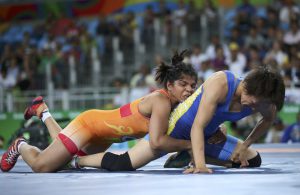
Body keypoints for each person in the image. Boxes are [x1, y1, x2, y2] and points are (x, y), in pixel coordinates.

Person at [0, 51, 198, 173]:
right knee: (41, 166)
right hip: (90, 125)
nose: (189, 90)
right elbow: (156, 142)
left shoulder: (175, 105)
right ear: (170, 85)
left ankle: (42, 111)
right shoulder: (161, 100)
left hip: (105, 136)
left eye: (193, 85)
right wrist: (190, 144)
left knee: (62, 162)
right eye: (183, 84)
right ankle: (20, 145)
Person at [75, 66, 285, 173]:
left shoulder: (265, 101)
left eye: (259, 105)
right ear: (248, 86)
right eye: (252, 101)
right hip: (176, 129)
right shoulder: (221, 82)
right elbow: (197, 126)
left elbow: (267, 119)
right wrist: (200, 166)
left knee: (251, 160)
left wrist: (246, 144)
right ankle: (78, 161)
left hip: (205, 135)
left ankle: (184, 156)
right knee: (124, 163)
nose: (253, 107)